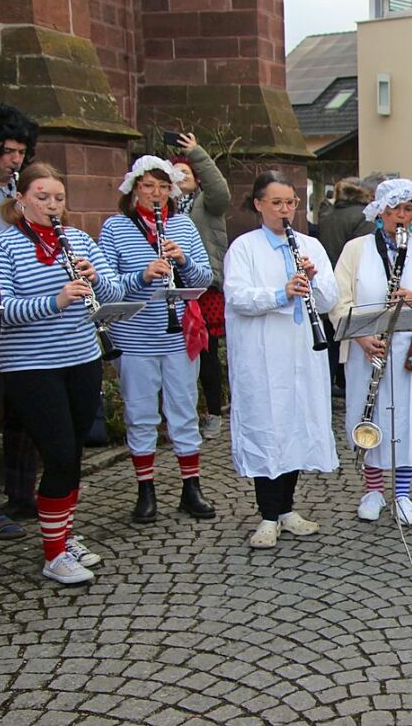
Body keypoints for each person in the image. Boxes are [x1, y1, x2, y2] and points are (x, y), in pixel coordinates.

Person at [0, 163, 124, 583]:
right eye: (43, 197)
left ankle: (62, 536)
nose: (52, 205)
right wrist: (57, 300)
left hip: (82, 357)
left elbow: (115, 292)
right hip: (31, 366)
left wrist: (96, 278)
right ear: (21, 199)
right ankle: (53, 555)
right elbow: (2, 311)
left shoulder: (79, 239)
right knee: (60, 454)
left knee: (74, 455)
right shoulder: (3, 246)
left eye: (59, 198)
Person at [330, 178, 412, 526]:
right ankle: (373, 490)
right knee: (369, 414)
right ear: (380, 212)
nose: (402, 216)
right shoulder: (356, 249)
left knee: (409, 417)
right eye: (395, 209)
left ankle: (402, 493)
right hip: (368, 348)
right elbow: (339, 300)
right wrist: (360, 336)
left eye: (408, 209)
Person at [224, 171, 339, 547]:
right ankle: (268, 515)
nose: (285, 210)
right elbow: (238, 297)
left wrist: (313, 279)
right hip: (263, 353)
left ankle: (287, 508)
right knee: (267, 427)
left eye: (291, 202)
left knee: (296, 426)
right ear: (258, 205)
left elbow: (328, 302)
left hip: (302, 352)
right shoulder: (244, 247)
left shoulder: (310, 245)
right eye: (277, 203)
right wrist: (281, 292)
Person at [98, 156, 215, 524]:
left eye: (164, 187)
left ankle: (190, 487)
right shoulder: (115, 228)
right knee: (141, 414)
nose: (157, 194)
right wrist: (143, 277)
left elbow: (203, 280)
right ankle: (145, 490)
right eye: (149, 186)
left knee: (183, 410)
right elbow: (107, 287)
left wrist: (182, 262)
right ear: (134, 189)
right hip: (134, 337)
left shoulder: (182, 225)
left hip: (178, 334)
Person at [0, 100, 40, 539]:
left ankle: (23, 492)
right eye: (7, 152)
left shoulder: (18, 191)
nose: (15, 161)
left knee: (26, 405)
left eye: (21, 153)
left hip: (26, 312)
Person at [170, 133, 231, 441]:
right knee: (176, 350)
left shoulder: (207, 203)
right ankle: (180, 413)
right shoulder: (163, 209)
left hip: (205, 284)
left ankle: (212, 411)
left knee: (206, 350)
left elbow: (221, 191)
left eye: (187, 174)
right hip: (172, 285)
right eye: (176, 173)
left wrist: (196, 154)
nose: (182, 178)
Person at [316, 177, 376, 396]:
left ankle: (328, 386)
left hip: (327, 279)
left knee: (331, 339)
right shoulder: (363, 217)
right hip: (348, 280)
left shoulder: (328, 214)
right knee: (343, 340)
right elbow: (365, 255)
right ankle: (342, 384)